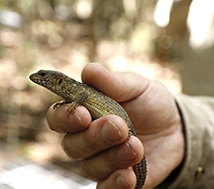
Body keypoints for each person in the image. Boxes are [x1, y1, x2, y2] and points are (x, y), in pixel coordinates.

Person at [46, 63, 214, 189]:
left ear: (59, 80)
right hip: (122, 130)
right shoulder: (70, 91)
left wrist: (74, 103)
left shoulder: (76, 91)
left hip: (124, 125)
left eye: (44, 75)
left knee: (125, 150)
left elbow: (83, 95)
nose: (39, 77)